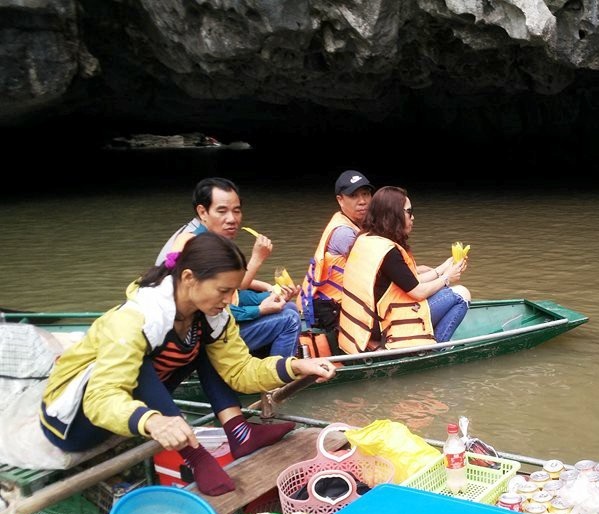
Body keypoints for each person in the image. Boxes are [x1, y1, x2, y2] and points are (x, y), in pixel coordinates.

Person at [40, 233, 336, 496]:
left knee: (203, 342)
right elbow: (100, 398)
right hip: (73, 421)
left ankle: (239, 432)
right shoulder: (136, 320)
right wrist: (153, 421)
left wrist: (296, 367)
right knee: (142, 362)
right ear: (189, 277)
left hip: (131, 412)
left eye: (232, 291)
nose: (228, 300)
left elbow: (239, 371)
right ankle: (195, 455)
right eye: (222, 291)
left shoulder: (209, 316)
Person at [158, 177, 302, 357]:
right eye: (222, 211)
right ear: (203, 212)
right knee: (290, 319)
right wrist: (259, 309)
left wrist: (268, 288)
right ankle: (280, 371)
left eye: (236, 211)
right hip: (200, 335)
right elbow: (212, 307)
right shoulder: (194, 245)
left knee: (287, 305)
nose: (232, 219)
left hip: (215, 318)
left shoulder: (206, 236)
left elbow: (228, 284)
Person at [338, 186, 470, 355]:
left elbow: (410, 282)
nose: (413, 217)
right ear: (393, 215)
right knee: (462, 294)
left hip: (364, 323)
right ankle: (434, 349)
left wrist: (443, 269)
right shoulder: (388, 252)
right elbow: (418, 292)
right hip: (384, 325)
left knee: (442, 289)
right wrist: (447, 278)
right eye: (409, 212)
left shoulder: (366, 239)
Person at [298, 170, 374, 339]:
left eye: (366, 194)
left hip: (327, 304)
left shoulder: (353, 224)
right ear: (340, 200)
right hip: (330, 310)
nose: (362, 201)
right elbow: (378, 271)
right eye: (354, 196)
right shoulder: (344, 233)